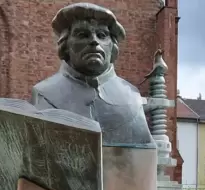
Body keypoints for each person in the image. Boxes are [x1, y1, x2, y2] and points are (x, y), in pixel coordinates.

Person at [30, 3, 155, 146]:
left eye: (102, 35)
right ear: (66, 45)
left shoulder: (131, 95)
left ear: (112, 46)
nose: (94, 41)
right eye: (82, 34)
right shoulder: (45, 93)